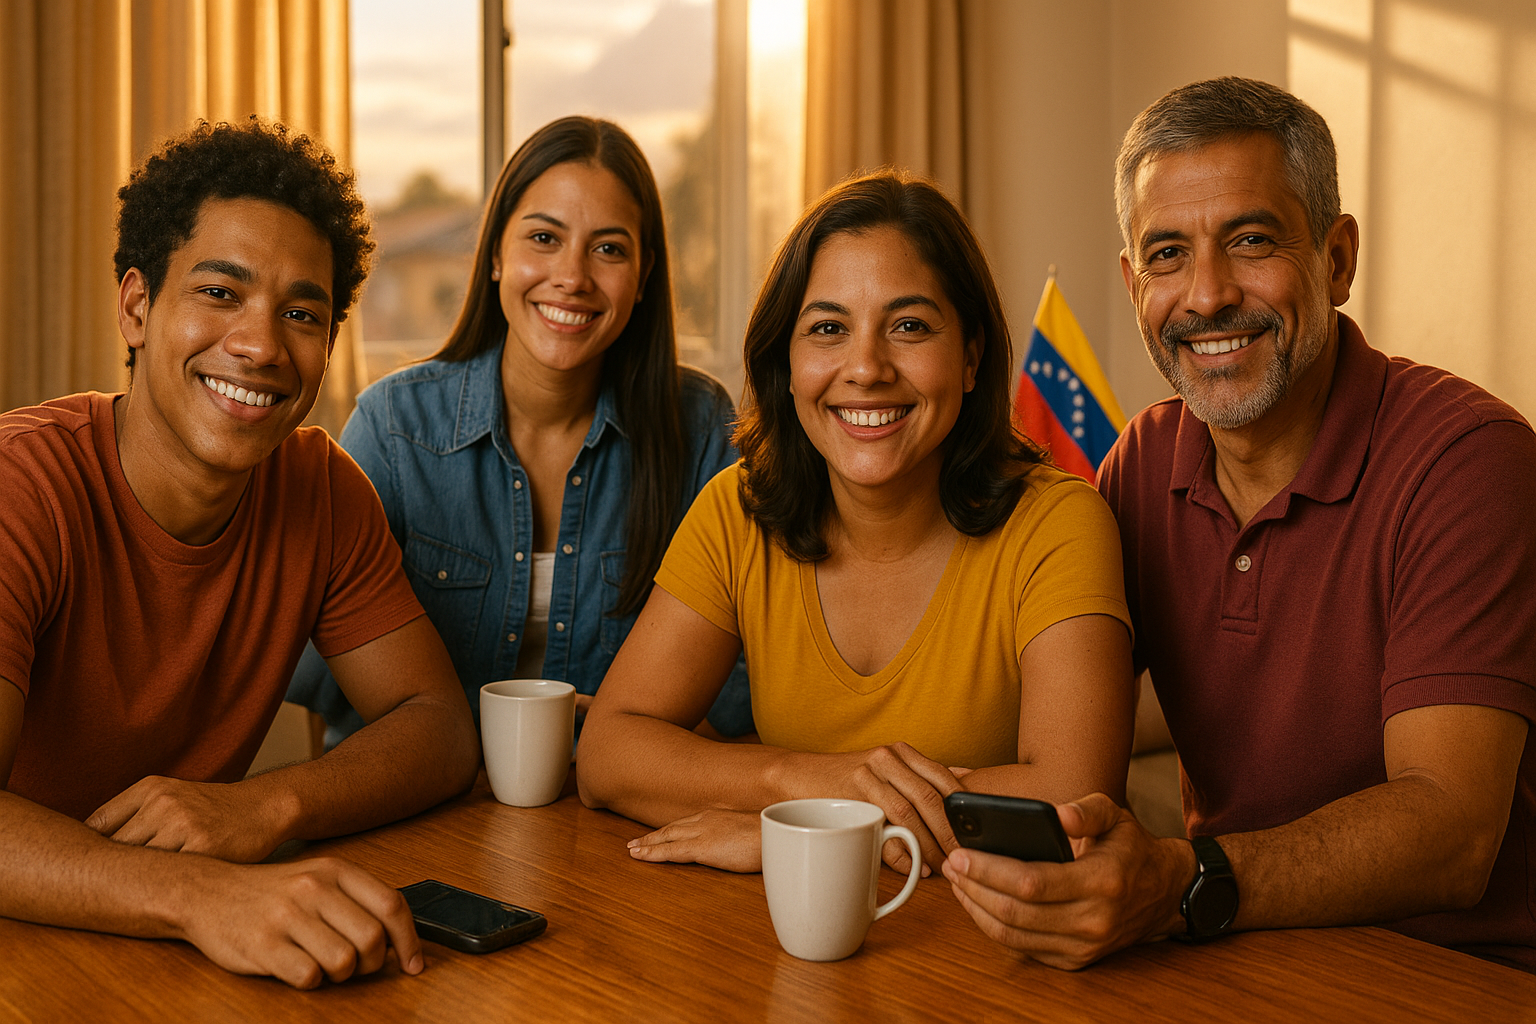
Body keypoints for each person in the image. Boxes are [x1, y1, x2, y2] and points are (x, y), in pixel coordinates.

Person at [943, 77, 1536, 972]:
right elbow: (1052, 717)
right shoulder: (1141, 462)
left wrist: (1181, 881)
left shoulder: (1469, 459)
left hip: (1463, 978)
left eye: (1251, 241)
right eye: (1168, 254)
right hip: (1233, 957)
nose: (1208, 296)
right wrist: (801, 800)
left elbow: (1453, 828)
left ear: (1336, 260)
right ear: (1132, 280)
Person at [0, 120, 480, 989]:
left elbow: (438, 726)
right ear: (137, 307)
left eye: (301, 313)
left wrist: (268, 803)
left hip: (170, 963)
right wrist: (199, 895)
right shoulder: (20, 488)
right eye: (221, 293)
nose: (261, 346)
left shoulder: (320, 488)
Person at [579, 171, 1135, 875]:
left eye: (908, 326)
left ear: (969, 357)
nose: (866, 368)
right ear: (785, 360)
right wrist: (799, 785)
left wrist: (809, 833)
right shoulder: (736, 509)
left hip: (1003, 944)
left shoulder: (1060, 523)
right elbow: (607, 754)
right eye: (828, 329)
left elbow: (1072, 797)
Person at [286, 116, 751, 742]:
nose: (573, 276)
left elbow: (745, 679)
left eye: (609, 248)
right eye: (544, 238)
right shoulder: (395, 429)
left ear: (642, 278)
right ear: (497, 253)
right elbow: (317, 670)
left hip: (612, 809)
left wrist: (629, 724)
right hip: (423, 805)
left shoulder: (697, 428)